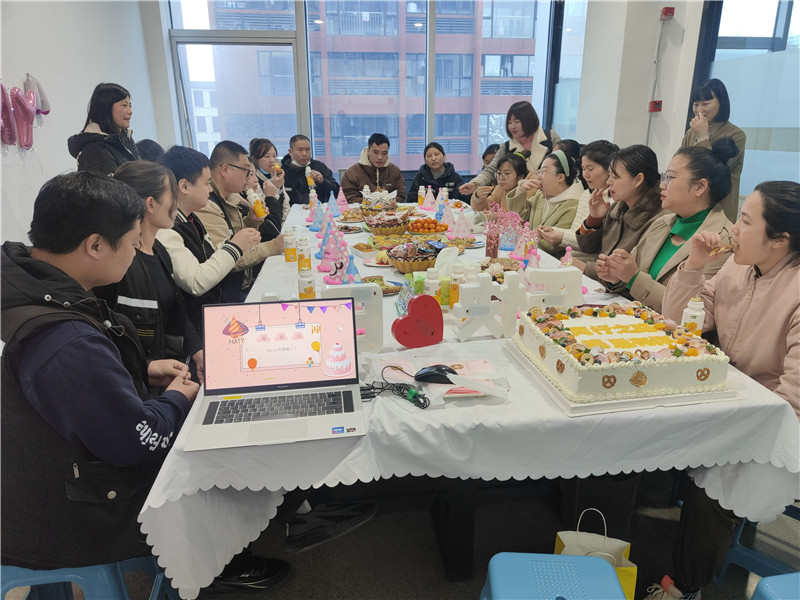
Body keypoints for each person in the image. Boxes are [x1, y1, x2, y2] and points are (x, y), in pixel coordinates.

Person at [1, 171, 198, 572]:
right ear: (95, 245)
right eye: (132, 243)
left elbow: (69, 386)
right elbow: (136, 442)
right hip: (68, 515)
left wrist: (141, 369)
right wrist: (177, 399)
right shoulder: (66, 340)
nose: (135, 253)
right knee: (205, 456)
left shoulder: (27, 284)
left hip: (36, 481)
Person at [644, 180, 800, 600]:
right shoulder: (739, 266)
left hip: (778, 424)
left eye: (746, 221)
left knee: (714, 484)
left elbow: (793, 400)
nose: (733, 229)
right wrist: (694, 266)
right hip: (733, 399)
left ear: (780, 240)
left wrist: (733, 424)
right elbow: (681, 324)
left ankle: (685, 586)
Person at [93, 161, 204, 389]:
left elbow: (175, 310)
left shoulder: (159, 250)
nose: (176, 203)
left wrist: (197, 351)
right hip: (142, 383)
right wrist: (146, 367)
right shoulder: (121, 263)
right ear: (151, 203)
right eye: (172, 196)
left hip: (171, 369)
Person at [596, 139, 737, 311]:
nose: (662, 184)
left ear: (699, 187)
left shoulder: (722, 240)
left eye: (670, 177)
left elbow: (691, 306)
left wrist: (634, 278)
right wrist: (615, 275)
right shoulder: (662, 223)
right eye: (664, 177)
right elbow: (630, 277)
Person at [157, 146, 261, 332]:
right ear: (184, 186)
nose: (210, 190)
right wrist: (235, 247)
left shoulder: (191, 218)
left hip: (214, 310)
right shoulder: (167, 229)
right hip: (198, 325)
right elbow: (196, 282)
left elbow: (210, 255)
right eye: (206, 183)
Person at [194, 141, 283, 301]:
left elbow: (236, 238)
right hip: (225, 296)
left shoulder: (232, 197)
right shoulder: (206, 205)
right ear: (225, 170)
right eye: (245, 171)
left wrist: (251, 221)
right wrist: (274, 246)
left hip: (242, 283)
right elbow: (231, 257)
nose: (248, 177)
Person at [575, 144, 665, 279]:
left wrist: (587, 269)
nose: (609, 182)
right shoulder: (617, 207)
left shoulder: (659, 218)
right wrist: (594, 219)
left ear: (638, 180)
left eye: (615, 177)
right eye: (610, 175)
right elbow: (588, 249)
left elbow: (634, 273)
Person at [459, 101, 560, 197]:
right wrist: (475, 184)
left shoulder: (551, 137)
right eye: (509, 122)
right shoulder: (506, 147)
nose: (512, 126)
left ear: (529, 121)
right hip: (519, 200)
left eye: (516, 122)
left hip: (549, 197)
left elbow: (562, 166)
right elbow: (491, 169)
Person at [538, 140, 618, 260]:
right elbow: (576, 232)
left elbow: (597, 245)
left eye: (590, 169)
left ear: (609, 169)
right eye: (583, 169)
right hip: (573, 259)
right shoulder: (586, 194)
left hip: (592, 263)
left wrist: (561, 237)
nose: (585, 174)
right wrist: (552, 230)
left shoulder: (615, 201)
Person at [680, 78, 745, 223]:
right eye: (696, 104)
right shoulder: (691, 132)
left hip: (717, 210)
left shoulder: (736, 135)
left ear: (721, 103)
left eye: (705, 104)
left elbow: (713, 173)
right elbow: (678, 163)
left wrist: (703, 136)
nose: (699, 110)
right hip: (688, 206)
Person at [510, 150, 583, 258]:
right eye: (539, 172)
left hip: (550, 261)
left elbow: (551, 246)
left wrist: (522, 234)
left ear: (560, 177)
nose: (539, 177)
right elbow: (519, 218)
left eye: (543, 172)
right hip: (528, 255)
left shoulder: (574, 205)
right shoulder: (541, 195)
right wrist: (520, 191)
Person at [68, 83, 141, 175]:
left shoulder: (125, 138)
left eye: (130, 106)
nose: (130, 111)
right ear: (106, 108)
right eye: (124, 105)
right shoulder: (95, 149)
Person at [341, 132, 406, 202]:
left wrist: (385, 202)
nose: (380, 157)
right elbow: (348, 198)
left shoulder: (395, 171)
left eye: (384, 153)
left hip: (390, 209)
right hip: (361, 209)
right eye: (375, 152)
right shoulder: (352, 173)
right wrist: (372, 202)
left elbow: (401, 196)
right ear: (368, 151)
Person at [280, 134, 339, 206]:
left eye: (307, 149)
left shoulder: (319, 166)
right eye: (300, 150)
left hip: (318, 210)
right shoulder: (282, 171)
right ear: (290, 152)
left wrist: (323, 181)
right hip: (291, 211)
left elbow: (337, 193)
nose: (304, 154)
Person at [250, 137, 291, 221]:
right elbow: (265, 211)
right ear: (255, 159)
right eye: (267, 156)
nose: (272, 160)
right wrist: (275, 187)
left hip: (281, 222)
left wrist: (286, 222)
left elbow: (286, 203)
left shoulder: (275, 175)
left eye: (274, 156)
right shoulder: (254, 180)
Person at [245, 156, 283, 242]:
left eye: (274, 155)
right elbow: (272, 231)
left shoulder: (254, 193)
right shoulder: (240, 201)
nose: (256, 180)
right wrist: (271, 197)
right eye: (251, 175)